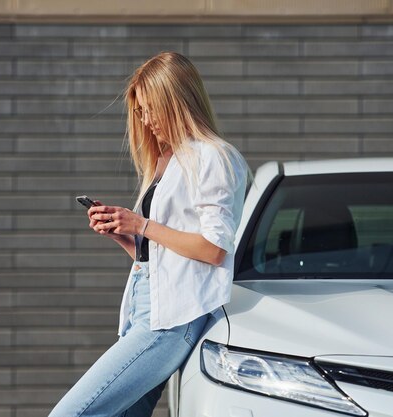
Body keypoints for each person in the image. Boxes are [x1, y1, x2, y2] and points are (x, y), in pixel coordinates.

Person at [48, 52, 248, 417]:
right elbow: (164, 256)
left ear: (177, 101)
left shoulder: (213, 156)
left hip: (169, 322)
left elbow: (215, 250)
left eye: (151, 108)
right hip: (144, 310)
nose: (145, 119)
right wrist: (126, 237)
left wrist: (139, 224)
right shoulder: (165, 160)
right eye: (139, 111)